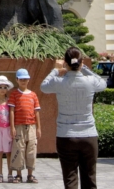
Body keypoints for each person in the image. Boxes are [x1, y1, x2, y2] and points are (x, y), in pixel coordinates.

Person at [40, 47, 107, 189]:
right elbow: (103, 83)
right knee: (90, 178)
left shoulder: (59, 82)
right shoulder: (90, 81)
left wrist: (56, 70)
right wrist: (85, 68)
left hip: (66, 135)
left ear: (65, 63)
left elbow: (43, 87)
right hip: (89, 135)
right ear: (81, 63)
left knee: (70, 179)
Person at [9, 68, 41, 184]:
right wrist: (12, 127)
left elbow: (36, 112)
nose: (23, 81)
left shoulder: (33, 95)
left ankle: (30, 175)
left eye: (25, 79)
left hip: (31, 126)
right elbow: (12, 111)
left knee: (31, 150)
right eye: (21, 79)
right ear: (17, 80)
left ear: (28, 80)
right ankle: (18, 174)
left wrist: (38, 128)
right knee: (19, 149)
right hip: (19, 127)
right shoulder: (14, 94)